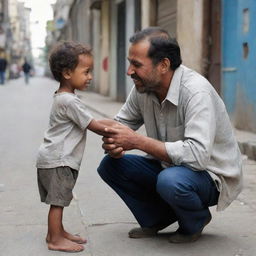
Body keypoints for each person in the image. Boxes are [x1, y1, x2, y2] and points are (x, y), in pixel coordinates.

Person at [97, 27, 243, 243]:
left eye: (136, 65)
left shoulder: (196, 92)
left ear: (163, 65)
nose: (129, 71)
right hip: (171, 167)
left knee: (170, 181)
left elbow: (197, 156)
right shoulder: (143, 88)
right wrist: (112, 141)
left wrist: (137, 141)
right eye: (130, 63)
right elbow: (122, 124)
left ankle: (196, 220)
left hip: (210, 175)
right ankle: (159, 217)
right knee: (110, 165)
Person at [36, 41, 115, 253]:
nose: (90, 76)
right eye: (87, 71)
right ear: (67, 73)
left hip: (53, 157)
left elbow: (90, 120)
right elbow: (94, 125)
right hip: (59, 160)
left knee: (59, 199)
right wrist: (117, 131)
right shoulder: (69, 102)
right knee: (58, 202)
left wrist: (114, 123)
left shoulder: (66, 98)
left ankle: (57, 232)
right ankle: (55, 239)